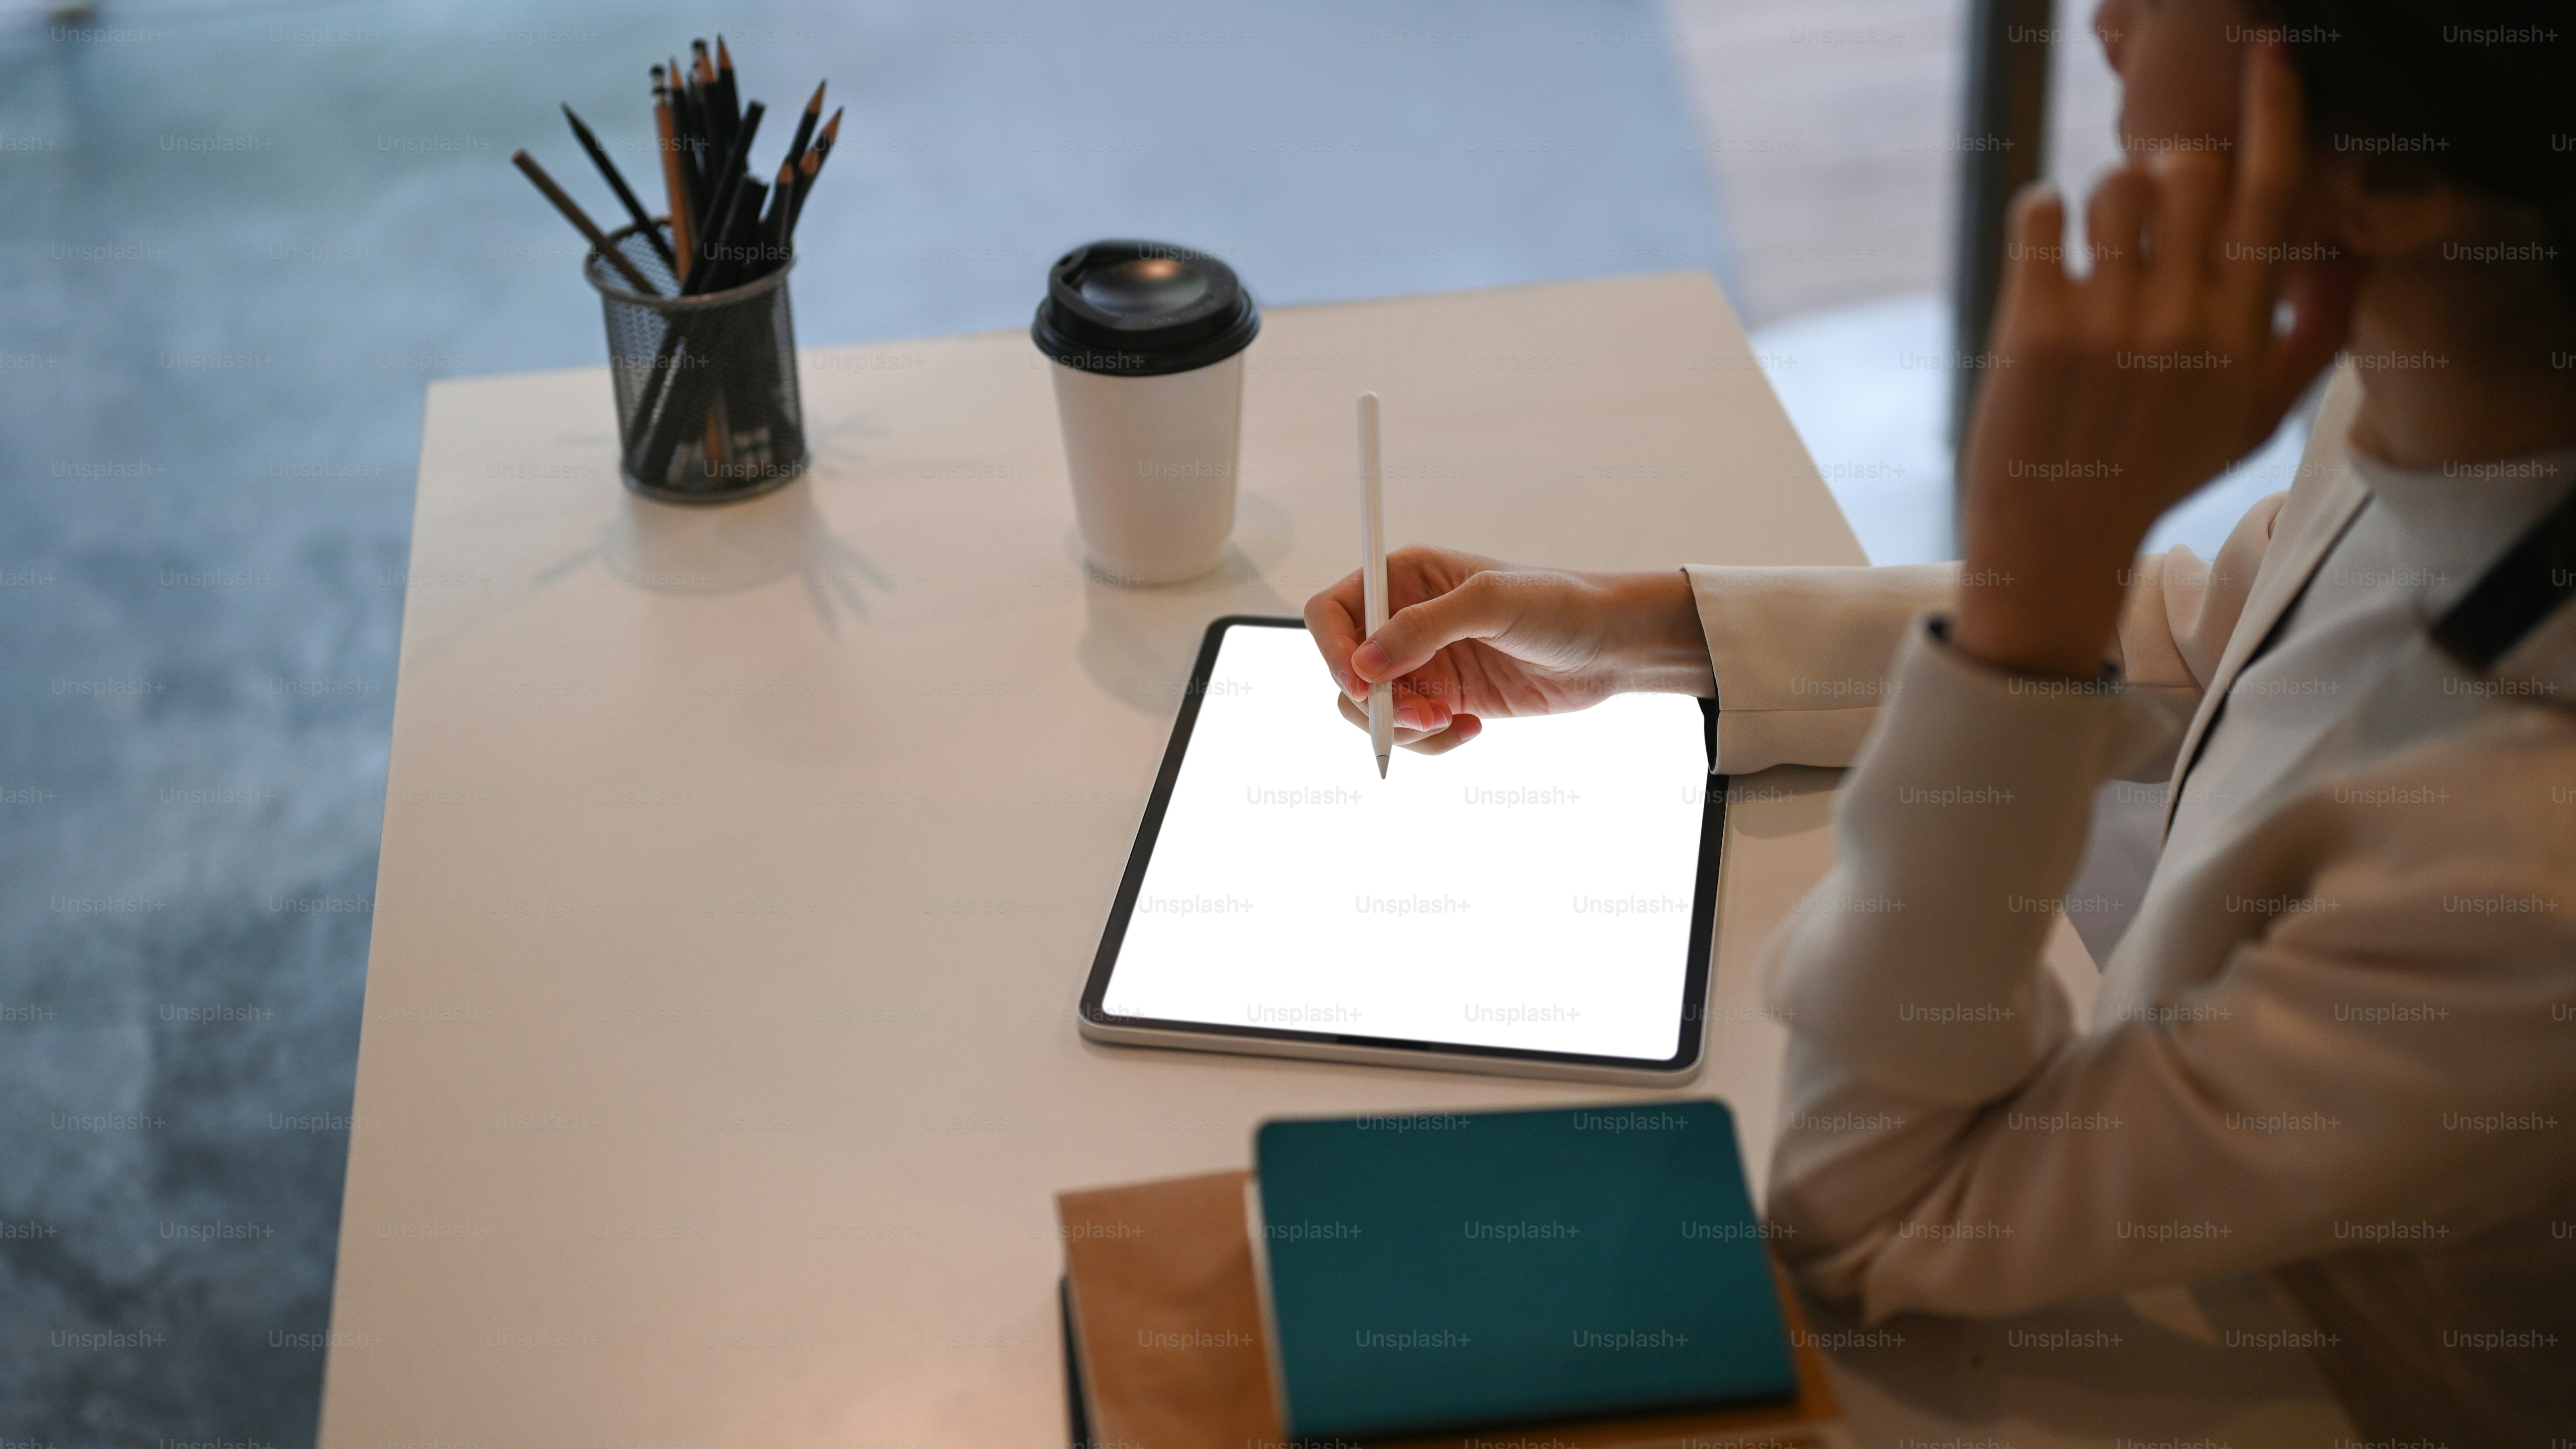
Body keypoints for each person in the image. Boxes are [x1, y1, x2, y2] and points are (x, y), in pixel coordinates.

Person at [1303, 0, 2576, 1437]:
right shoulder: (2461, 397)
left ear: (2391, 178)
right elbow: (2207, 633)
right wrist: (1646, 629)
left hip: (2307, 1381)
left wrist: (2032, 590)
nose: (2104, 17)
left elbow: (1872, 1209)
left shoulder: (2518, 866)